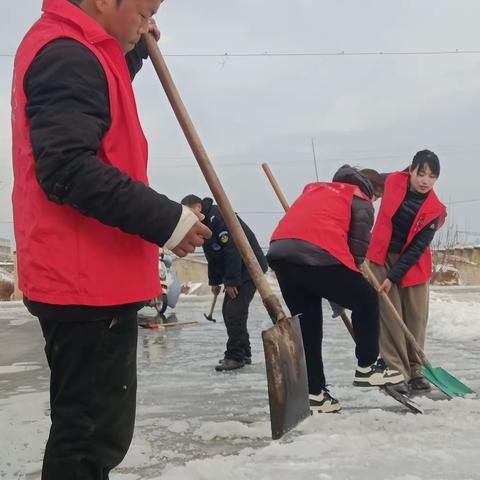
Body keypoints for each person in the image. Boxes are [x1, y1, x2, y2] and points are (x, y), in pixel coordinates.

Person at [11, 1, 211, 478]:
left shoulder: (82, 52)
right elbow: (68, 169)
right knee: (88, 440)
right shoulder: (68, 54)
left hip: (88, 276)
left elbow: (92, 113)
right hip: (85, 282)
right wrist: (168, 220)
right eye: (143, 13)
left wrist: (132, 56)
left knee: (93, 433)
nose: (148, 25)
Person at [267, 165, 404, 413]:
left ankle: (316, 394)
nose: (375, 201)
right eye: (378, 197)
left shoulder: (318, 191)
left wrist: (337, 293)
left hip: (281, 254)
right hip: (318, 253)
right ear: (372, 190)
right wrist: (341, 295)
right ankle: (368, 366)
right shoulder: (361, 200)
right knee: (367, 300)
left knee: (309, 324)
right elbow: (356, 254)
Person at [367, 150, 446, 394]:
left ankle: (416, 370)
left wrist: (394, 277)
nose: (425, 180)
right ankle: (396, 372)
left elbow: (417, 248)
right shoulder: (392, 181)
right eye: (421, 173)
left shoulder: (435, 209)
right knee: (390, 316)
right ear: (410, 170)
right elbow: (365, 181)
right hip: (380, 257)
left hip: (413, 264)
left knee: (415, 318)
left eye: (432, 176)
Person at [181, 195, 268, 371]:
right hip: (237, 270)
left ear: (198, 207)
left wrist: (231, 281)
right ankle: (244, 352)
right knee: (229, 310)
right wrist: (215, 281)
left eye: (189, 212)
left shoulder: (219, 217)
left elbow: (232, 250)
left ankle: (235, 356)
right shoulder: (205, 224)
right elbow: (212, 254)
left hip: (250, 268)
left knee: (235, 312)